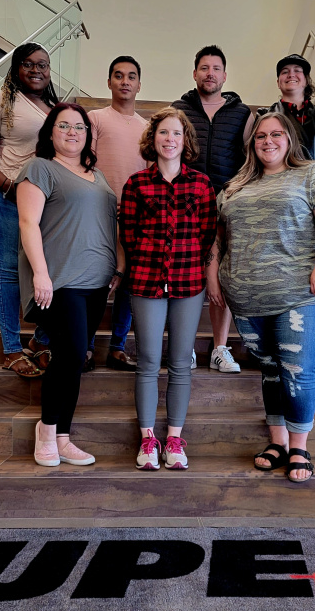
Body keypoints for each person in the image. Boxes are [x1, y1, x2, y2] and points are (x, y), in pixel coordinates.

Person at [206, 112, 315, 483]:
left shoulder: (313, 173)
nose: (268, 141)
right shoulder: (234, 186)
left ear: (290, 139)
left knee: (297, 371)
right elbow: (220, 237)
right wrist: (214, 276)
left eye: (276, 134)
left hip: (302, 294)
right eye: (260, 136)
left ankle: (300, 446)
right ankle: (278, 442)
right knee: (270, 371)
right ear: (251, 144)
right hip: (247, 298)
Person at [17, 103, 122, 467]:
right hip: (61, 280)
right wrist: (41, 274)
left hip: (96, 282)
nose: (73, 132)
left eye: (79, 127)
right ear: (50, 132)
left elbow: (109, 225)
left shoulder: (99, 176)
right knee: (72, 354)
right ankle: (46, 431)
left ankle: (63, 437)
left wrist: (117, 268)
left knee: (76, 358)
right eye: (64, 126)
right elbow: (29, 224)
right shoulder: (39, 168)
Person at [120, 107, 217, 470]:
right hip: (145, 280)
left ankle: (174, 438)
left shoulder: (202, 184)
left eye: (176, 133)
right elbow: (128, 235)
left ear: (185, 140)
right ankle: (148, 441)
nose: (170, 139)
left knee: (180, 363)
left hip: (188, 282)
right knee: (147, 362)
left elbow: (208, 234)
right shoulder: (136, 184)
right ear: (153, 139)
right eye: (163, 133)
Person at [0, 42, 57, 378]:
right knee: (8, 270)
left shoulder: (53, 105)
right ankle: (10, 349)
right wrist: (8, 186)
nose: (36, 70)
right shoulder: (1, 101)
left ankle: (40, 341)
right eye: (28, 64)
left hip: (41, 201)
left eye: (43, 65)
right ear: (16, 68)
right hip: (2, 196)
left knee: (47, 269)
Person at [260, 53, 315, 379]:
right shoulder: (267, 117)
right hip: (286, 205)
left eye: (297, 71)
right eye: (284, 72)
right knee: (282, 277)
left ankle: (311, 352)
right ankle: (277, 350)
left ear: (306, 79)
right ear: (279, 80)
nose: (291, 76)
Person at [172, 45, 253, 374]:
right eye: (204, 68)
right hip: (185, 202)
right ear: (195, 74)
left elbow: (250, 158)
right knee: (186, 275)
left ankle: (220, 348)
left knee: (223, 275)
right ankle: (186, 347)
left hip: (226, 203)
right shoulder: (179, 109)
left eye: (216, 68)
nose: (210, 73)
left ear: (224, 75)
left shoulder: (242, 113)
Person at [84, 55, 149, 372]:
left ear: (139, 84)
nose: (125, 81)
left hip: (134, 215)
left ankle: (118, 347)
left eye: (131, 76)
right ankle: (85, 346)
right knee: (95, 280)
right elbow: (85, 163)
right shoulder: (95, 118)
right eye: (119, 75)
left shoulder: (147, 128)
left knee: (130, 284)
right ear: (109, 82)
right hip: (99, 212)